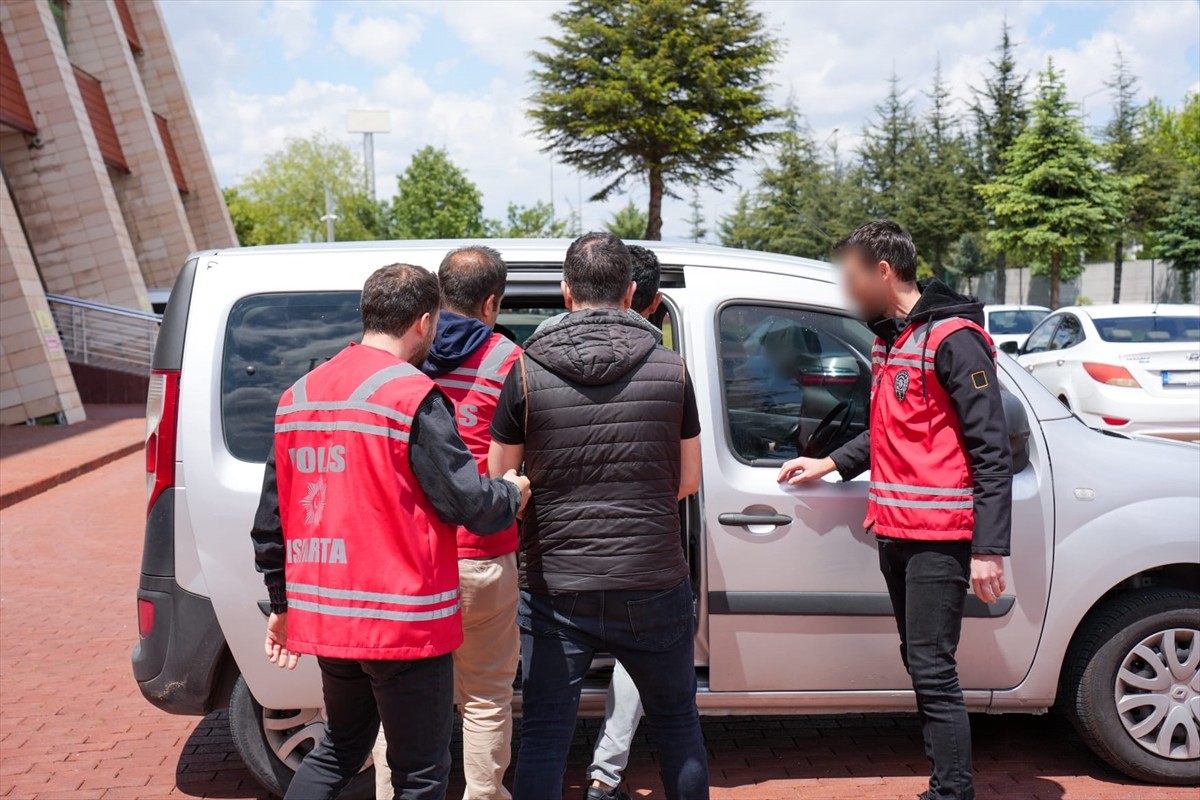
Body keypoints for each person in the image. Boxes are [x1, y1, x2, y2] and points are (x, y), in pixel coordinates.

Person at [251, 264, 530, 800]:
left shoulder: (299, 394)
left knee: (341, 749)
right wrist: (511, 493)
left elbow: (271, 519)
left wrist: (282, 604)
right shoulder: (411, 395)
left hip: (332, 615)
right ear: (424, 322)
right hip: (401, 619)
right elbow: (467, 501)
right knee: (420, 772)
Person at [777, 221, 1011, 800]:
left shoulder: (953, 339)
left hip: (941, 536)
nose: (847, 289)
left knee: (933, 669)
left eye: (852, 276)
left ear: (884, 271)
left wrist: (989, 549)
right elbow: (888, 432)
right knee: (920, 661)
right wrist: (831, 462)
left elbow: (991, 448)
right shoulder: (891, 339)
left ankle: (952, 791)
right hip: (896, 530)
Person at [489, 232, 709, 800]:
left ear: (566, 292)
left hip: (556, 583)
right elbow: (688, 480)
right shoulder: (671, 370)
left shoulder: (525, 371)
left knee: (543, 734)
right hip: (653, 579)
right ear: (632, 291)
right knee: (678, 725)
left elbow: (500, 483)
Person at [372, 246, 524, 800]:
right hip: (482, 555)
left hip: (411, 562)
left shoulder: (396, 359)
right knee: (486, 697)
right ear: (492, 302)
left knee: (401, 707)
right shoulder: (508, 360)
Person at [581, 244, 665, 800]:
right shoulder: (666, 362)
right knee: (640, 658)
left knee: (554, 663)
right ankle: (605, 772)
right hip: (644, 546)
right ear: (644, 299)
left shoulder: (533, 361)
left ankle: (593, 768)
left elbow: (504, 468)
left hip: (563, 545)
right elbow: (686, 477)